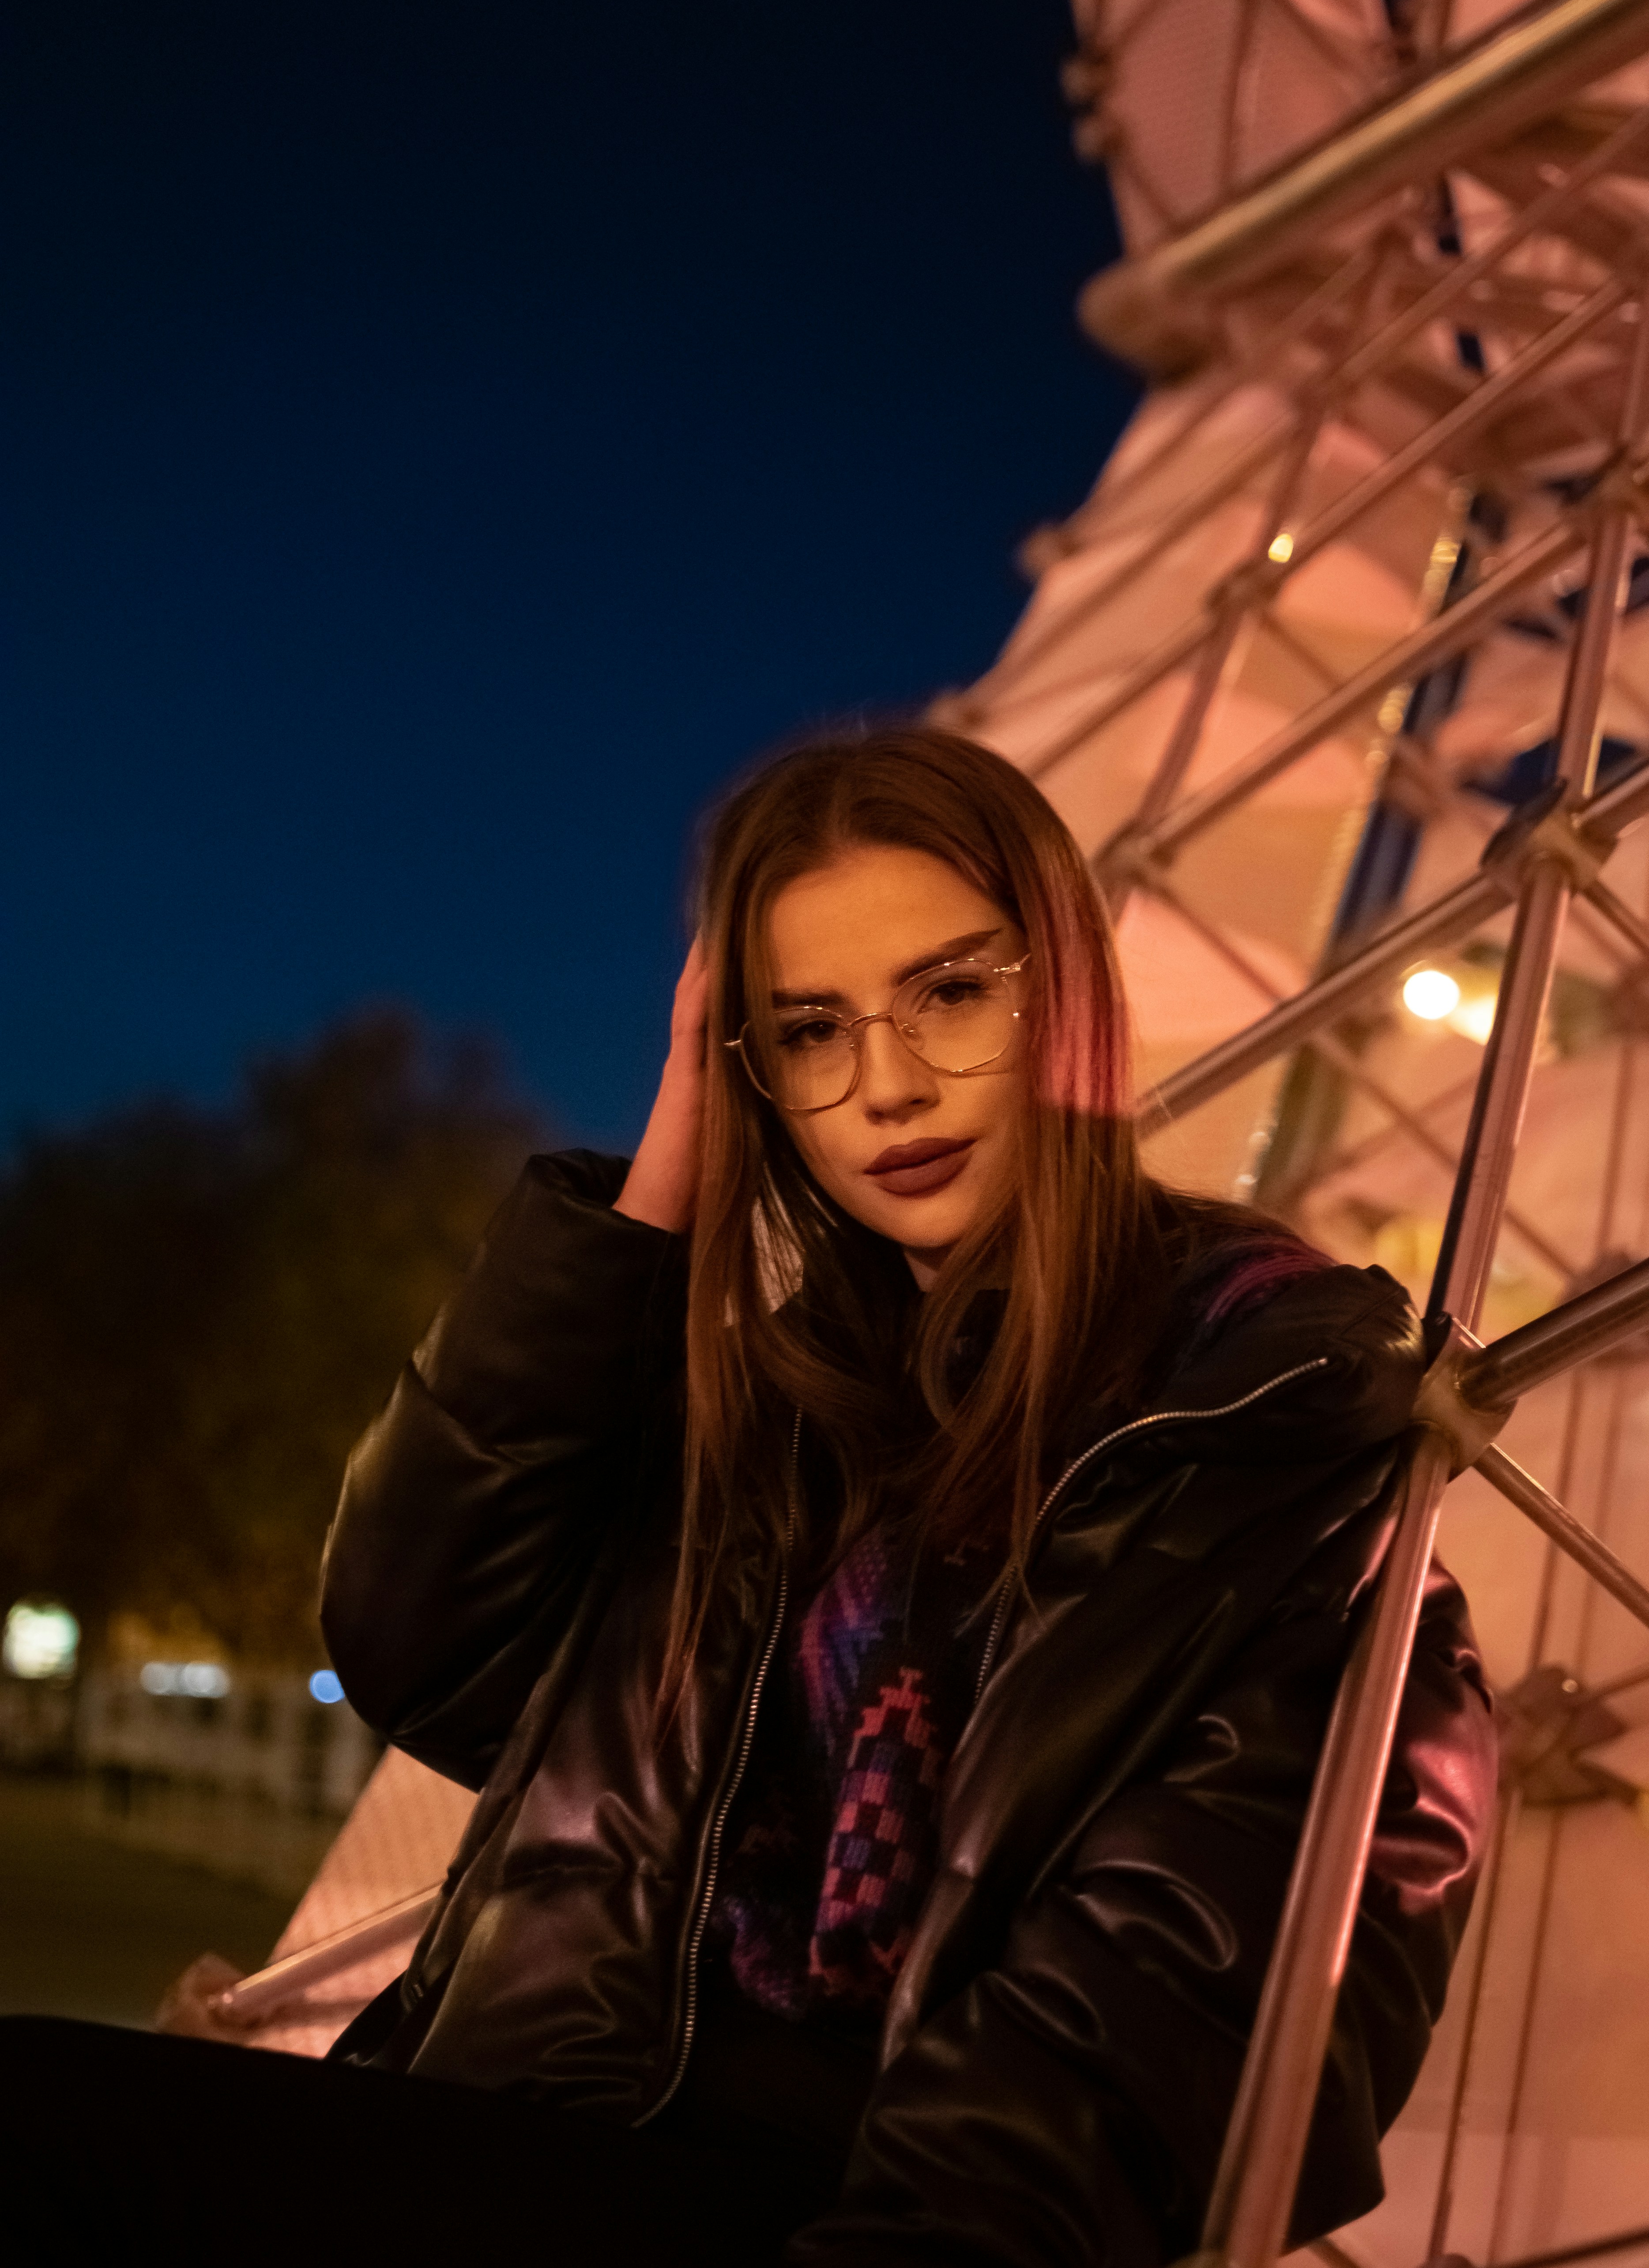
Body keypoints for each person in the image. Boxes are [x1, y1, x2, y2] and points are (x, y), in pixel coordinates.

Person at [1, 730, 1494, 2266]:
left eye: (953, 994)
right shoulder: (786, 1410)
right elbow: (422, 1644)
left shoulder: (1260, 1403)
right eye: (808, 1033)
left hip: (871, 2206)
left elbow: (1194, 1984)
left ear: (1068, 989)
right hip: (551, 2130)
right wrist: (660, 1178)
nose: (889, 1088)